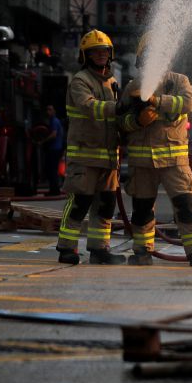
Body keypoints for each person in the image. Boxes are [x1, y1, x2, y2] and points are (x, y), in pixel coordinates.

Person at [117, 35, 192, 267]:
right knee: (141, 210)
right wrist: (136, 122)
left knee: (186, 205)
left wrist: (157, 101)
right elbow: (120, 121)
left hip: (174, 161)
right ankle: (142, 251)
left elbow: (188, 103)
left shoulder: (179, 81)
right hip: (142, 164)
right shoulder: (132, 87)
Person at [55, 29, 125, 265]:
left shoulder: (112, 82)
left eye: (104, 51)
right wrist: (118, 108)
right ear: (86, 56)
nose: (101, 55)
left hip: (108, 158)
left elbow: (117, 116)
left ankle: (99, 249)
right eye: (95, 52)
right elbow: (89, 107)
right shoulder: (80, 81)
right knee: (79, 203)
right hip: (84, 156)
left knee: (105, 207)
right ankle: (66, 248)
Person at [41, 105, 64, 196]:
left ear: (54, 111)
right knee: (52, 169)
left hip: (54, 149)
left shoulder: (54, 121)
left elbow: (54, 134)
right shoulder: (54, 121)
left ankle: (54, 190)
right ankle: (54, 189)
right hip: (56, 148)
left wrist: (43, 141)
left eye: (50, 109)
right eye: (47, 109)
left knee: (52, 170)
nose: (48, 112)